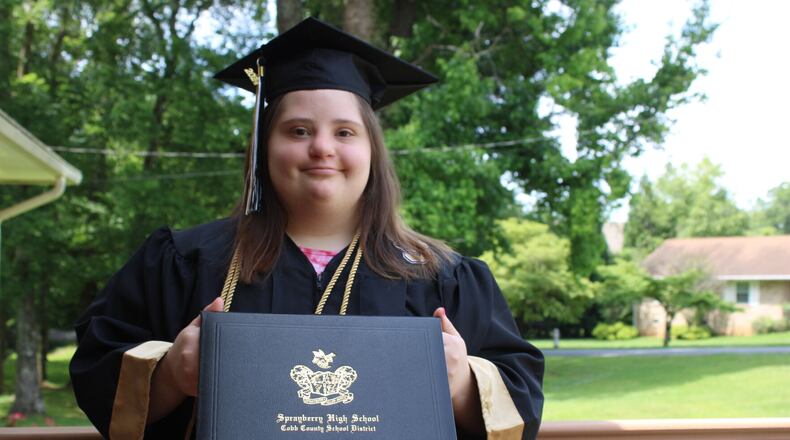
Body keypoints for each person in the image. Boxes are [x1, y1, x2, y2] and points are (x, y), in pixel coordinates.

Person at [70, 17, 544, 440]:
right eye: (297, 130)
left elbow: (519, 405)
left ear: (372, 151)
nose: (321, 148)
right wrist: (170, 374)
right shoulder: (184, 261)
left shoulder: (441, 277)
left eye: (344, 132)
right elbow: (98, 366)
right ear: (263, 147)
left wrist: (462, 384)